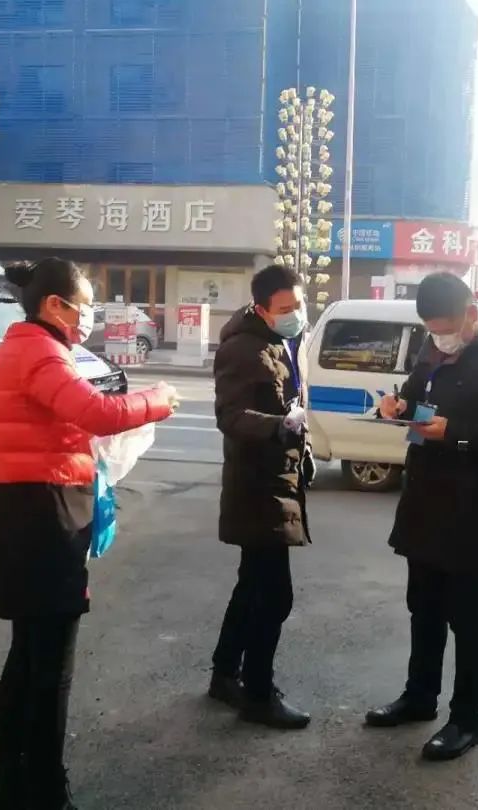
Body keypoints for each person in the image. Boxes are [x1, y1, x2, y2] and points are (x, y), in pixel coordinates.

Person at [0, 258, 178, 810]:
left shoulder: (18, 349)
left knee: (27, 656)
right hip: (44, 518)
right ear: (55, 305)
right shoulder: (41, 353)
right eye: (85, 305)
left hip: (19, 513)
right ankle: (45, 788)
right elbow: (97, 413)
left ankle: (10, 784)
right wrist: (158, 399)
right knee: (50, 665)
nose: (88, 316)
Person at [365, 273, 478, 761]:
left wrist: (455, 433)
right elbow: (415, 396)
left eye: (445, 329)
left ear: (470, 313)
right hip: (424, 496)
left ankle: (467, 719)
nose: (438, 338)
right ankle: (419, 696)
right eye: (431, 330)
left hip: (469, 504)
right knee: (423, 608)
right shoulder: (433, 346)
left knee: (466, 617)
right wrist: (397, 407)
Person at [209, 264, 315, 730]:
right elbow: (231, 416)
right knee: (273, 596)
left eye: (299, 305)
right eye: (285, 308)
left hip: (280, 477)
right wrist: (278, 427)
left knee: (252, 586)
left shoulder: (283, 340)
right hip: (258, 487)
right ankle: (257, 694)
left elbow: (289, 399)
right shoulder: (243, 348)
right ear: (261, 308)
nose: (295, 314)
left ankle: (224, 673)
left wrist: (299, 443)